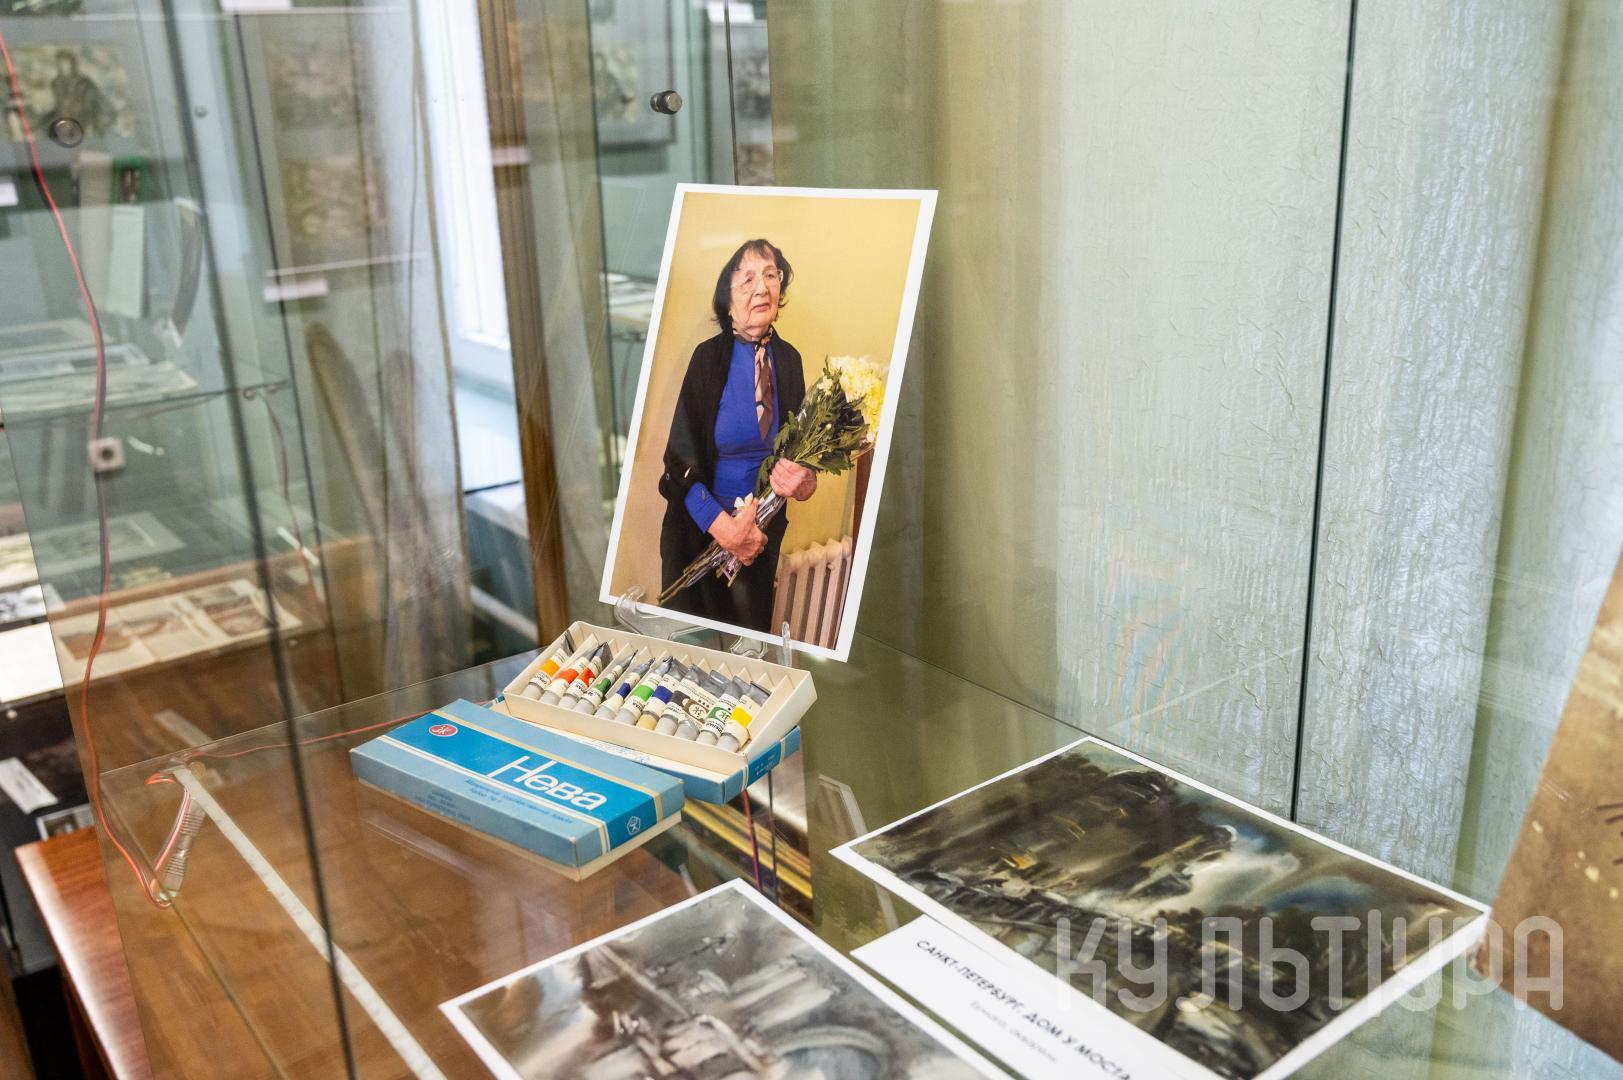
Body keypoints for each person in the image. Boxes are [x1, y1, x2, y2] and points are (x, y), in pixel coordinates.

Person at [659, 239, 818, 631]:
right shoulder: (706, 359)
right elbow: (676, 462)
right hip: (699, 539)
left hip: (758, 546)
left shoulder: (790, 360)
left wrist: (804, 482)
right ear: (727, 301)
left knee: (746, 651)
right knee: (691, 648)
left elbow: (801, 461)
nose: (762, 288)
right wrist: (726, 531)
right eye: (747, 280)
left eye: (771, 275)